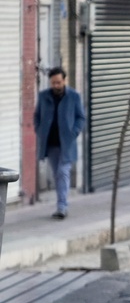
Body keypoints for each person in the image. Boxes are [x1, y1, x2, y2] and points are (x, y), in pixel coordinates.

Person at [34, 67, 85, 219]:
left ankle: (62, 206)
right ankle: (61, 203)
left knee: (63, 172)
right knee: (57, 174)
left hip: (66, 143)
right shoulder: (44, 96)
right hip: (51, 144)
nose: (56, 85)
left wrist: (73, 132)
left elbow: (81, 118)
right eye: (53, 83)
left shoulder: (74, 96)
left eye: (58, 82)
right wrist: (39, 130)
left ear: (64, 81)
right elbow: (37, 116)